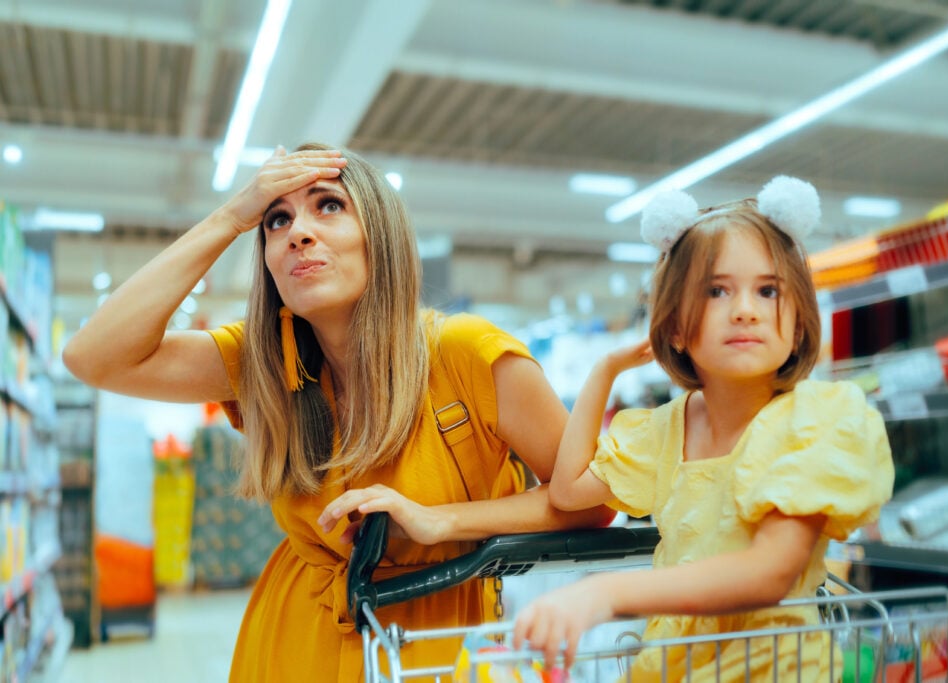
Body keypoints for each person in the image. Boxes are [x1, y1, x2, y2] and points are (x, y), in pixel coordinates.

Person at [62, 144, 610, 681]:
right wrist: (232, 217)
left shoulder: (465, 354)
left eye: (329, 205)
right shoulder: (266, 364)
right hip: (291, 638)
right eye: (276, 220)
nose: (298, 232)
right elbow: (93, 357)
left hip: (429, 642)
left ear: (381, 236)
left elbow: (591, 502)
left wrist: (444, 521)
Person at [513, 176, 894, 681]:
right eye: (717, 290)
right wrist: (604, 369)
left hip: (773, 668)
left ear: (799, 322)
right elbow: (566, 490)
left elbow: (770, 572)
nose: (745, 309)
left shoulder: (817, 420)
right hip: (676, 666)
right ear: (675, 327)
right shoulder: (667, 429)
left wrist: (603, 593)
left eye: (768, 290)